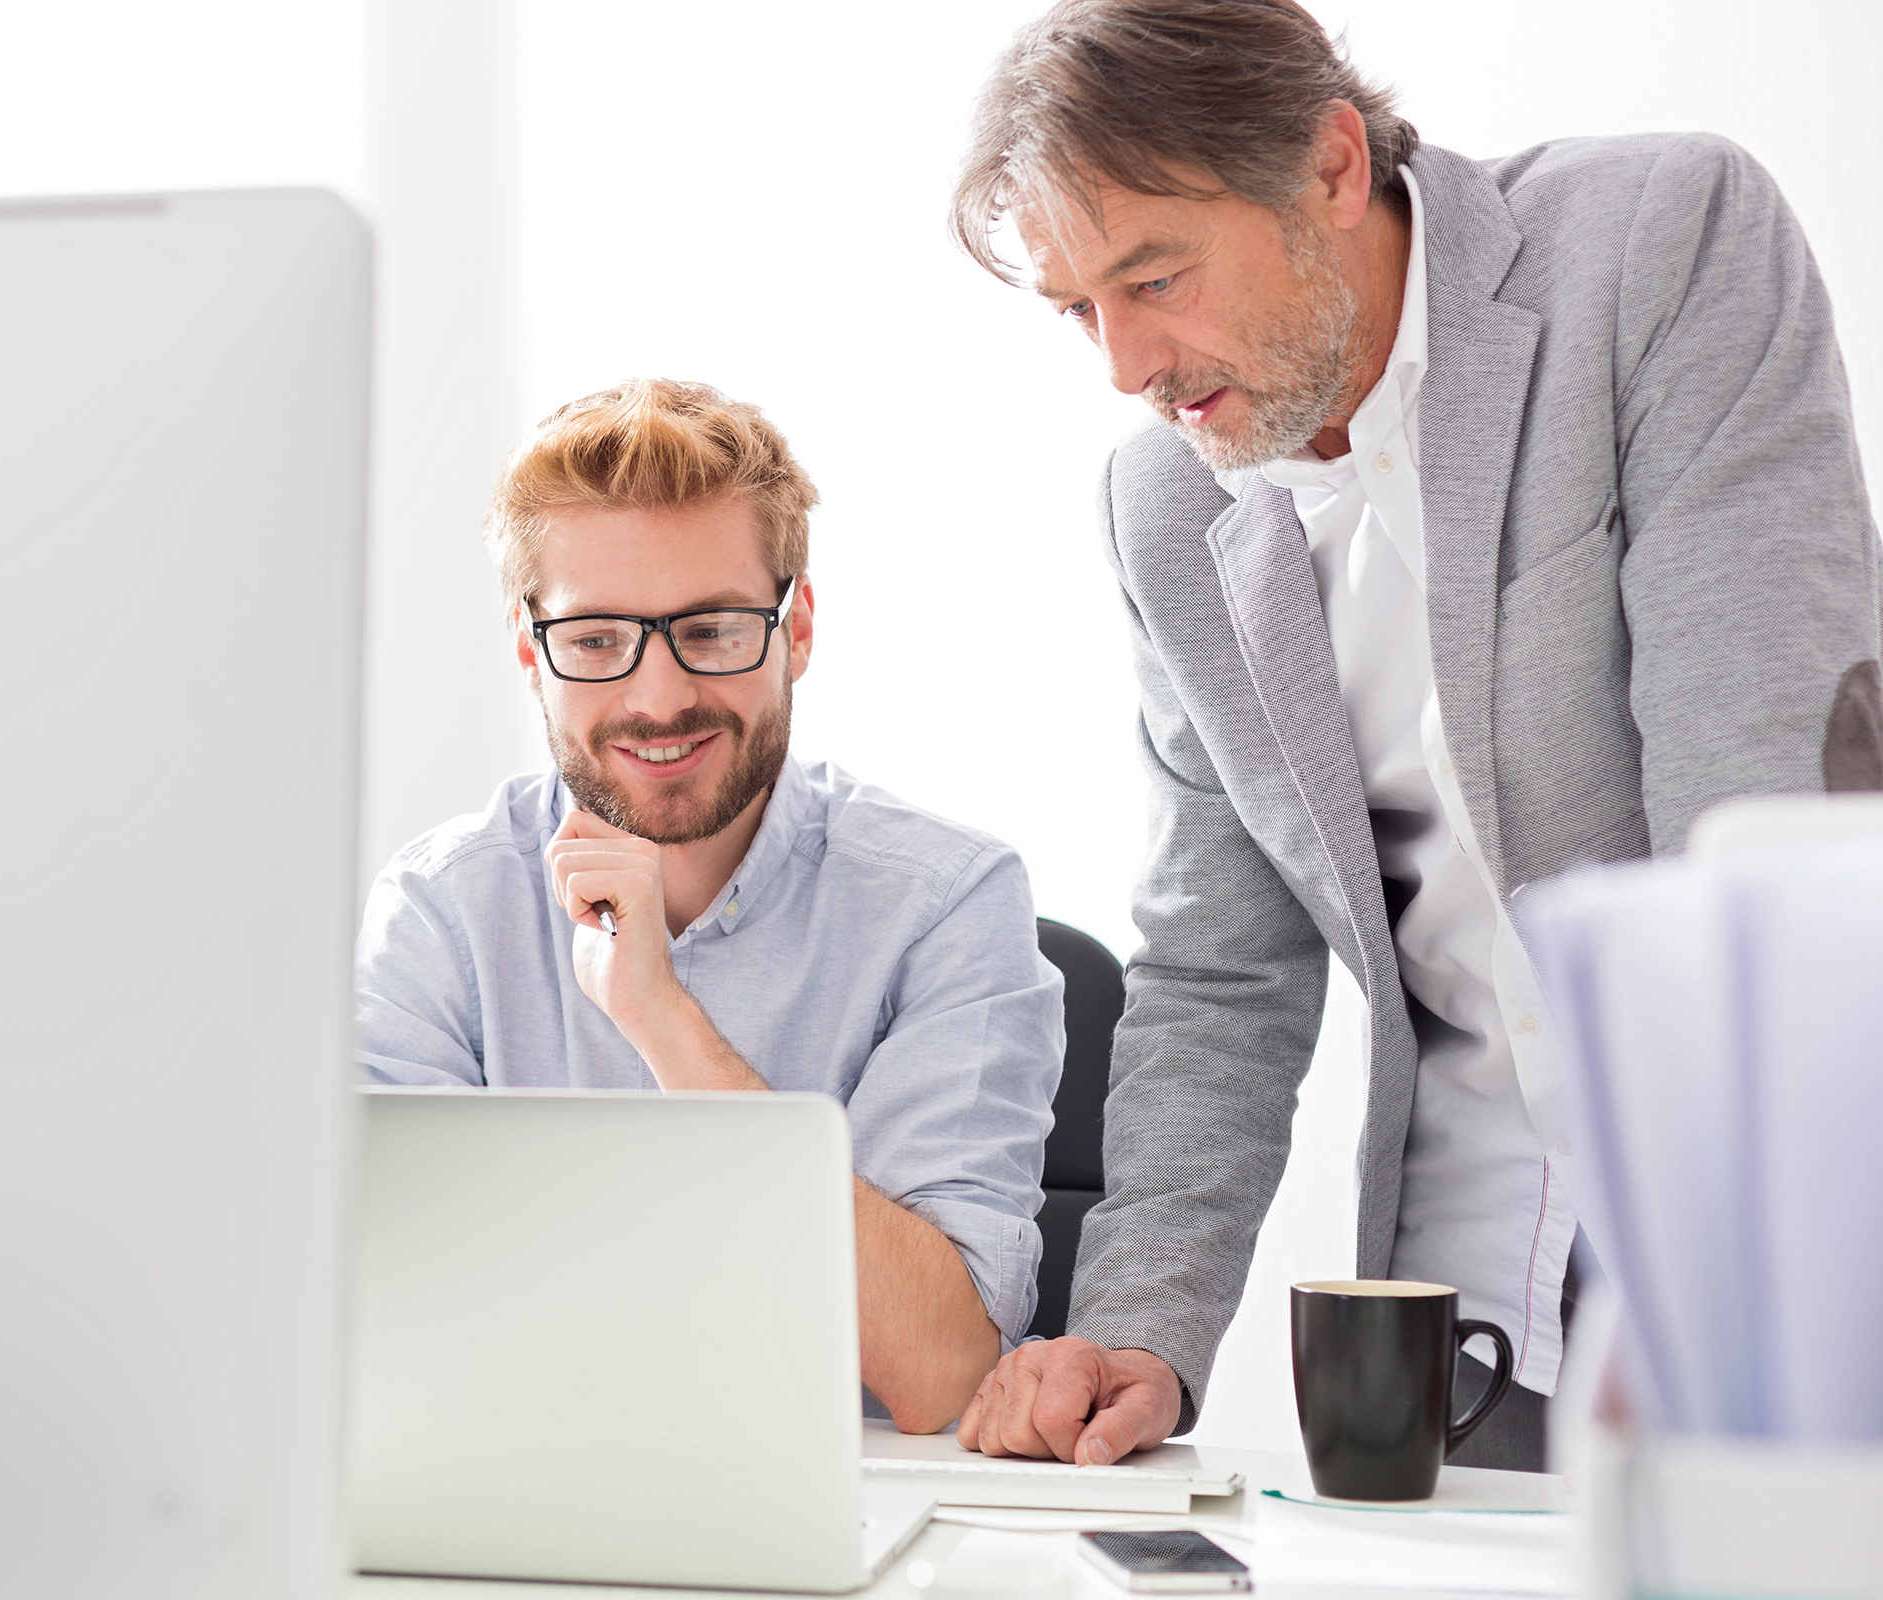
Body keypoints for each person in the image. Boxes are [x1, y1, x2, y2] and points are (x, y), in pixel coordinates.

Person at [947, 0, 1883, 1471]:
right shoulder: (1169, 506)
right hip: (1460, 1335)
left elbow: (1754, 822)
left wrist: (1737, 1319)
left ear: (1328, 166)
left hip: (1758, 1264)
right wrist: (1140, 1329)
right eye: (1078, 307)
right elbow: (1218, 969)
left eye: (1156, 276)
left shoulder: (1657, 246)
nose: (1125, 362)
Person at [357, 378, 1065, 1432]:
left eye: (714, 628)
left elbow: (947, 1370)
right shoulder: (439, 911)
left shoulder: (945, 903)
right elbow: (365, 1331)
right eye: (595, 640)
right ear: (527, 648)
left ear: (797, 628)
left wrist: (665, 1023)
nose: (656, 696)